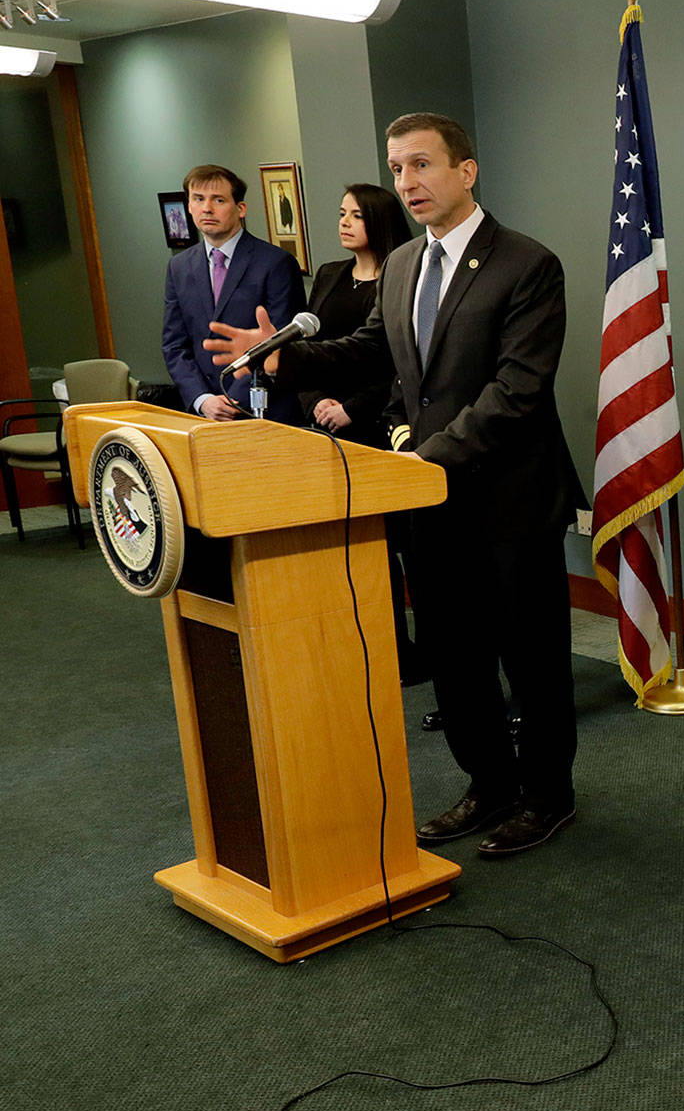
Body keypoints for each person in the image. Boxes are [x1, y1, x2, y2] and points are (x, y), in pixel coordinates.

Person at [207, 113, 583, 858]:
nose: (407, 182)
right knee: (455, 655)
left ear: (466, 171)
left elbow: (517, 388)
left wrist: (429, 457)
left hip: (508, 498)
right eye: (397, 167)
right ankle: (489, 783)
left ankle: (547, 795)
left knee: (529, 657)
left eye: (422, 165)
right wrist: (282, 358)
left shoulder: (528, 264)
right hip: (426, 501)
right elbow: (373, 348)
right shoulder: (405, 263)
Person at [299, 182, 432, 691]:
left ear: (379, 220)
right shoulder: (331, 276)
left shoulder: (404, 273)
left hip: (383, 429)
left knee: (408, 549)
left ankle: (432, 654)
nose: (345, 222)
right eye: (340, 212)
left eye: (355, 214)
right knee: (364, 549)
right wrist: (314, 402)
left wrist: (352, 409)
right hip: (326, 430)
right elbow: (315, 344)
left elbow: (397, 361)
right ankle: (387, 648)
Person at [161, 164, 305, 423]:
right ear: (189, 206)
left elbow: (283, 340)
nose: (207, 208)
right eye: (198, 199)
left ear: (240, 209)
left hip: (264, 411)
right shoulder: (179, 267)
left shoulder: (275, 263)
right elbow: (174, 345)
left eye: (218, 200)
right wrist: (202, 400)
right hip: (203, 415)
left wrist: (232, 399)